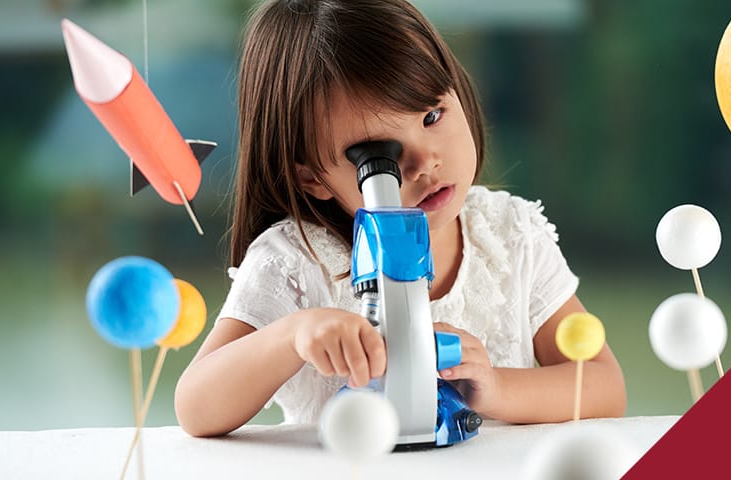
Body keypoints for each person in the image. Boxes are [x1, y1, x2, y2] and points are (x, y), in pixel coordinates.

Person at [175, 0, 626, 437]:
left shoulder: (510, 235)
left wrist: (497, 387)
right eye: (378, 156)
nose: (424, 162)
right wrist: (292, 337)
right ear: (312, 176)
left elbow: (604, 386)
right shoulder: (295, 261)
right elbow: (195, 407)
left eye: (432, 115)